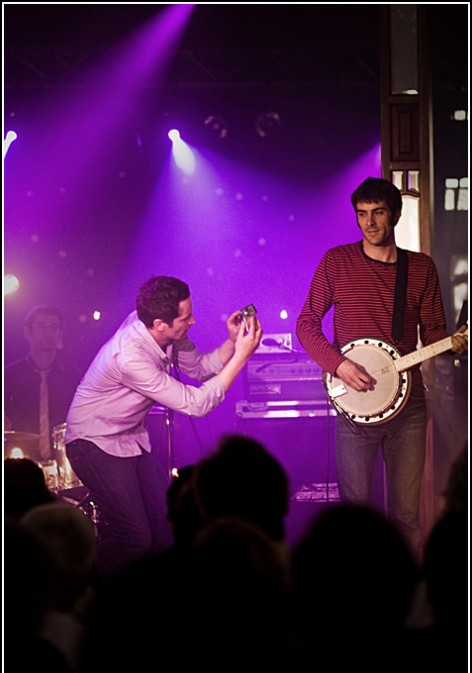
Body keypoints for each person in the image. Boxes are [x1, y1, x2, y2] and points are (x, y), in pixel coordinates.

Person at [296, 177, 468, 559]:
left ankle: (404, 602)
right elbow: (306, 323)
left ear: (394, 215)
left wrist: (453, 343)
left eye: (378, 213)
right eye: (362, 215)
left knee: (406, 516)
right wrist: (338, 365)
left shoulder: (421, 268)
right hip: (355, 412)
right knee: (355, 515)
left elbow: (435, 333)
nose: (369, 223)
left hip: (409, 409)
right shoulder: (337, 262)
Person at [64, 275, 262, 577]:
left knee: (166, 529)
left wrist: (233, 343)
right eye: (185, 317)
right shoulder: (130, 356)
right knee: (136, 538)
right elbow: (196, 404)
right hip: (93, 442)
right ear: (159, 324)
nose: (193, 320)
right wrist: (242, 357)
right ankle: (81, 592)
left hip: (130, 439)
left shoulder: (163, 330)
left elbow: (201, 368)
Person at [4, 305, 83, 464]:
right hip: (20, 463)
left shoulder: (73, 376)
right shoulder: (8, 376)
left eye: (54, 327)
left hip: (65, 462)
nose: (48, 332)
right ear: (28, 333)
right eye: (41, 326)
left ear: (60, 334)